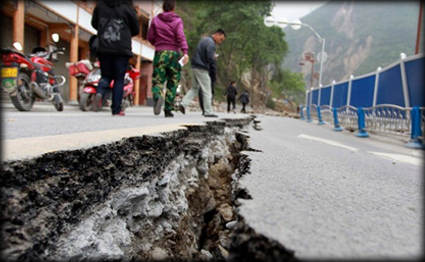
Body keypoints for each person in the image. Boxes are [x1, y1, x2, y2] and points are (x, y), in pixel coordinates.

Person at [91, 0, 139, 116]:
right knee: (119, 79)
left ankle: (100, 93)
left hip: (104, 47)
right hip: (121, 49)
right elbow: (136, 29)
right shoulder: (127, 8)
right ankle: (116, 109)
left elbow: (94, 23)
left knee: (106, 75)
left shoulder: (100, 5)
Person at [147, 0, 189, 117]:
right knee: (173, 80)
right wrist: (185, 51)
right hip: (174, 54)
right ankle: (168, 109)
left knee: (158, 79)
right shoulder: (177, 21)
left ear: (163, 7)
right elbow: (181, 36)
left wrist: (158, 44)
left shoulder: (156, 20)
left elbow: (150, 37)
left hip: (160, 52)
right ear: (174, 7)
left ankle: (158, 96)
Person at [179, 29, 226, 118]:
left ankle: (183, 104)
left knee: (194, 88)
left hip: (194, 66)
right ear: (217, 34)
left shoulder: (204, 40)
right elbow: (209, 57)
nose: (220, 42)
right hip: (202, 68)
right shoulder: (211, 43)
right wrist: (213, 61)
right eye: (221, 39)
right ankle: (208, 111)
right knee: (207, 90)